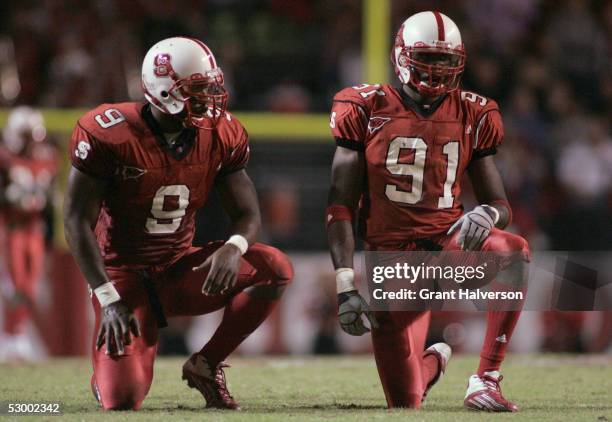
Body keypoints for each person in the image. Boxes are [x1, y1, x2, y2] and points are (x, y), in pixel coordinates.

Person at [63, 37, 293, 411]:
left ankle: (206, 364)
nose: (210, 98)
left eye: (211, 86)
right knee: (122, 400)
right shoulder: (109, 133)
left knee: (274, 268)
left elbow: (247, 214)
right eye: (198, 89)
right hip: (124, 280)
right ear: (163, 89)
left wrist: (234, 248)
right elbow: (75, 221)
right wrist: (107, 297)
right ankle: (110, 375)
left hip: (180, 269)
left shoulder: (219, 133)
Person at [326, 11, 529, 412]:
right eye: (428, 57)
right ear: (401, 55)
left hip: (447, 244)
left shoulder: (474, 112)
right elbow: (340, 205)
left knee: (512, 251)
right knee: (405, 403)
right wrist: (346, 285)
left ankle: (485, 378)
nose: (436, 69)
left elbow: (500, 204)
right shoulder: (365, 106)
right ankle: (434, 361)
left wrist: (487, 215)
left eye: (444, 59)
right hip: (393, 261)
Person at [0, 106, 56, 362]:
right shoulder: (6, 160)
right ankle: (10, 336)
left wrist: (50, 238)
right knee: (14, 286)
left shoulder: (47, 159)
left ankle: (17, 335)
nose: (30, 142)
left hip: (34, 230)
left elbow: (50, 203)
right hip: (11, 229)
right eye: (25, 136)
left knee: (29, 287)